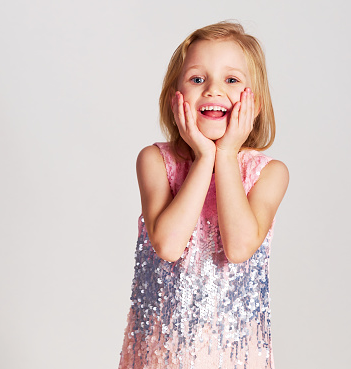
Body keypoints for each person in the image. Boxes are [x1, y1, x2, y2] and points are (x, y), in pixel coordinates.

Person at [118, 21, 289, 369]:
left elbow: (239, 248)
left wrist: (225, 155)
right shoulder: (154, 161)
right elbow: (167, 245)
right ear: (175, 98)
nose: (213, 90)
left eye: (232, 80)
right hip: (159, 356)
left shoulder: (269, 174)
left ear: (254, 104)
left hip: (236, 357)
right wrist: (204, 157)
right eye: (197, 79)